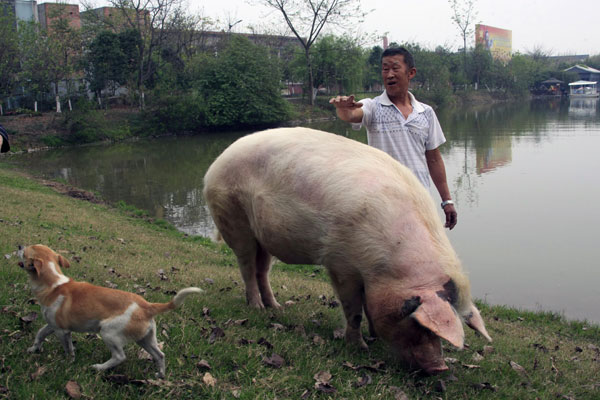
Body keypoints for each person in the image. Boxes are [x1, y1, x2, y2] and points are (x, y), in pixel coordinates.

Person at [329, 46, 457, 230]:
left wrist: (447, 200)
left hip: (419, 200)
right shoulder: (373, 107)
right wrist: (343, 109)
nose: (389, 74)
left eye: (395, 68)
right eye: (384, 68)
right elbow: (352, 115)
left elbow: (434, 158)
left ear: (411, 73)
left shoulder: (426, 113)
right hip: (383, 202)